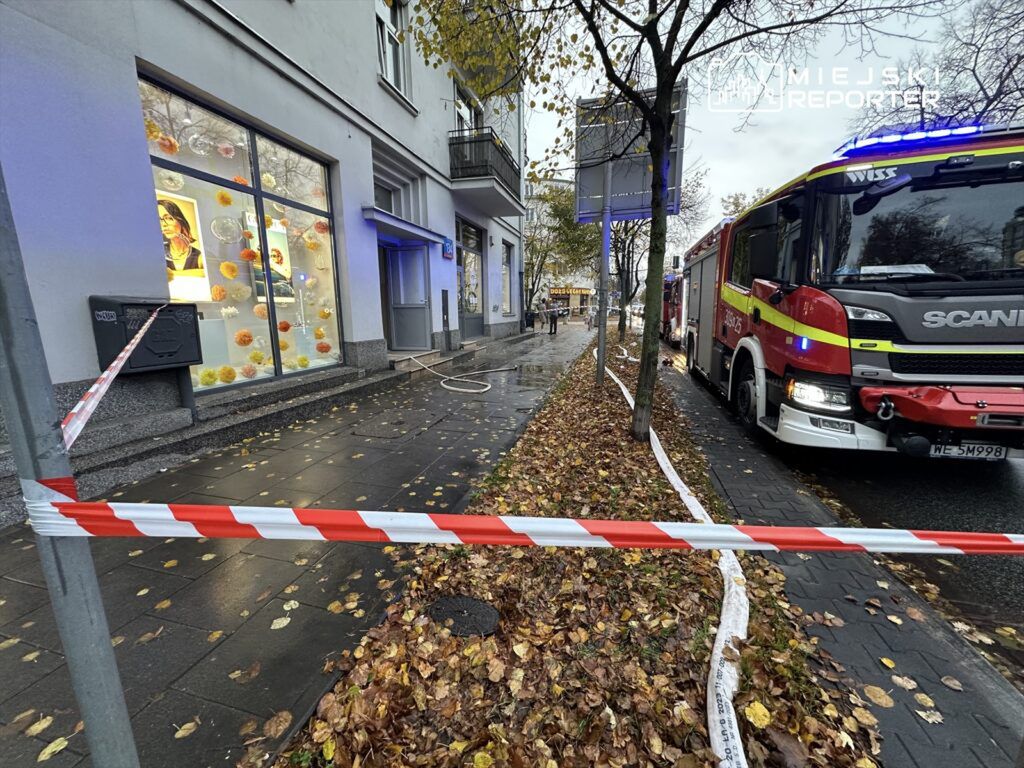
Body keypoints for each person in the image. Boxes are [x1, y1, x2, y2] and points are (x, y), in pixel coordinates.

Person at [158, 199, 204, 273]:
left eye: (168, 218)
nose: (163, 224)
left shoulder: (199, 257)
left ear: (180, 220)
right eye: (159, 219)